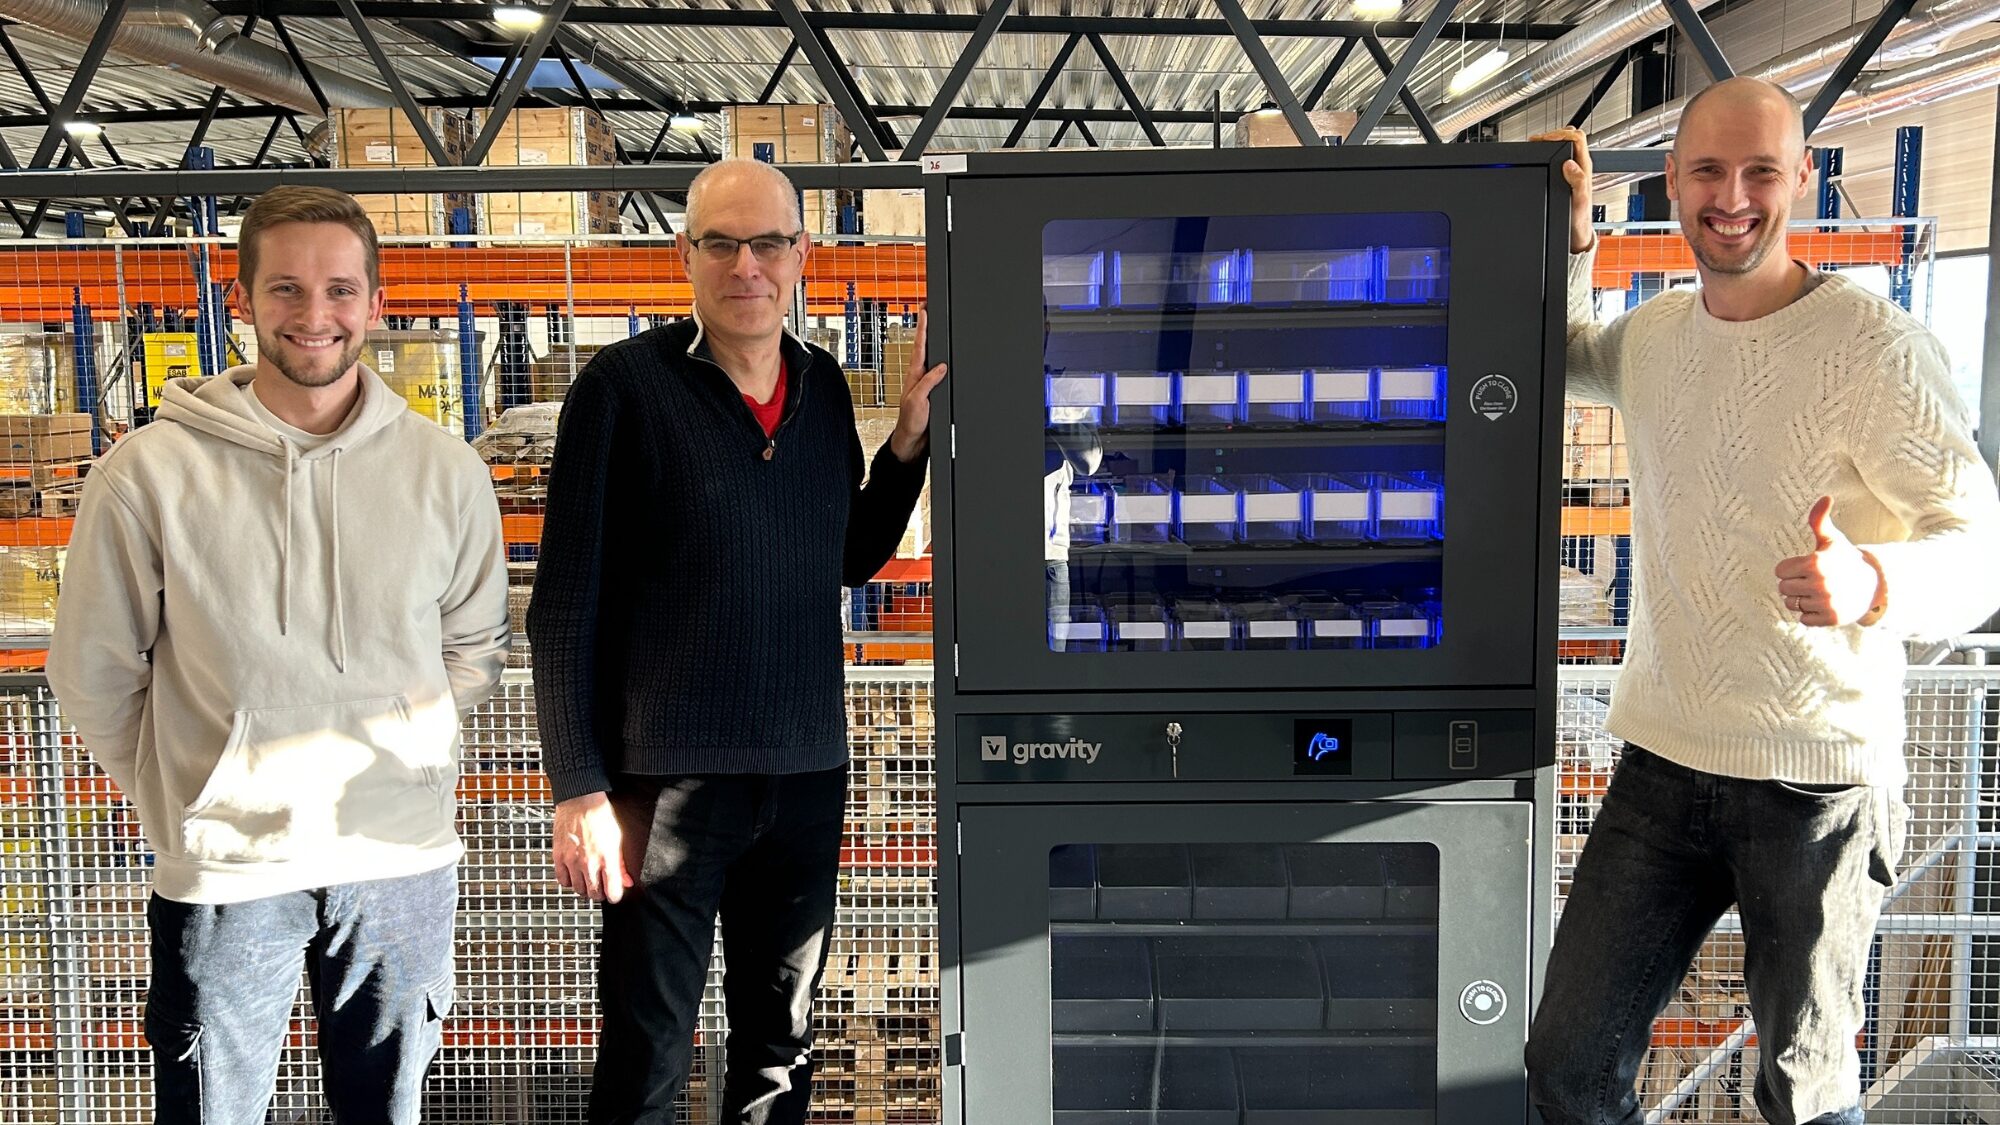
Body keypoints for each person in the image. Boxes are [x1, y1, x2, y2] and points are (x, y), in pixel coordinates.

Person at [1524, 82, 2000, 1125]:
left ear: (1795, 181)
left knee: (1803, 1093)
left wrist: (1874, 584)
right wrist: (1565, 244)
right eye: (1705, 171)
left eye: (1758, 173)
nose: (1729, 197)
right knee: (1564, 1064)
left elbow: (1981, 550)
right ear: (1672, 181)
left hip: (1816, 788)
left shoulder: (1873, 350)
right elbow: (1558, 358)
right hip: (1660, 764)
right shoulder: (1652, 340)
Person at [45, 185, 511, 1120]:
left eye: (340, 290)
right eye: (287, 289)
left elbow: (474, 641)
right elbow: (94, 670)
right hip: (227, 866)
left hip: (397, 857)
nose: (315, 315)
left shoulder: (445, 470)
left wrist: (409, 752)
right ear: (241, 301)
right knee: (215, 1108)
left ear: (376, 305)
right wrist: (196, 789)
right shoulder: (148, 474)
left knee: (386, 1110)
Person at [527, 157, 944, 1123]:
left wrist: (908, 446)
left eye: (767, 243)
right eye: (722, 242)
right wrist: (578, 785)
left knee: (778, 1053)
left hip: (803, 774)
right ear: (687, 255)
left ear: (802, 255)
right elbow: (564, 603)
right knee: (648, 1051)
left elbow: (847, 554)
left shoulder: (823, 386)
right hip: (664, 786)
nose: (745, 265)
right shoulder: (621, 391)